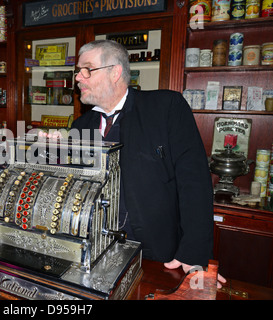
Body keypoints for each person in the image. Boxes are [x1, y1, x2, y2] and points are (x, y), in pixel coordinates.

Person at [67, 39, 223, 280]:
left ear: (115, 72)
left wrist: (194, 252)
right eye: (78, 71)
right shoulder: (81, 125)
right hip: (95, 252)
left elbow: (194, 184)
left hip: (156, 254)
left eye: (87, 69)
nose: (78, 77)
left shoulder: (166, 107)